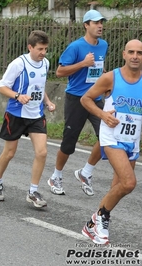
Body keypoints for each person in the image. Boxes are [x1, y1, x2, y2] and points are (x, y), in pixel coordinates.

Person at [79, 39, 142, 244]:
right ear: (123, 54)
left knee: (118, 186)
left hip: (132, 140)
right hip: (111, 137)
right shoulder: (110, 78)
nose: (135, 56)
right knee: (129, 182)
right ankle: (102, 219)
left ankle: (92, 224)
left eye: (139, 53)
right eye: (131, 52)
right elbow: (86, 99)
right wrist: (103, 115)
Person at [0, 30, 55, 207]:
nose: (43, 53)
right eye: (40, 49)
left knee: (42, 153)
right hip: (16, 114)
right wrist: (18, 96)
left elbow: (39, 87)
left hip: (36, 115)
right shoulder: (19, 64)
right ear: (30, 47)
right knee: (9, 153)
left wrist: (47, 102)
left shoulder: (45, 63)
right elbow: (2, 86)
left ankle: (33, 191)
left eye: (45, 49)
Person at [47, 10, 108, 196]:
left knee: (106, 138)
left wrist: (105, 82)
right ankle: (55, 176)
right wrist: (82, 63)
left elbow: (100, 66)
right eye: (95, 23)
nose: (100, 26)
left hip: (95, 98)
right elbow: (59, 72)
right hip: (76, 99)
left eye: (101, 23)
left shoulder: (103, 45)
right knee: (69, 143)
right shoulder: (75, 47)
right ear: (86, 25)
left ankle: (86, 172)